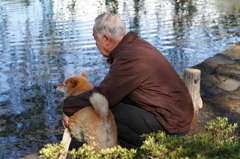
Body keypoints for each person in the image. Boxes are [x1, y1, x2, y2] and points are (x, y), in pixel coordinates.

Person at [62, 13, 194, 149]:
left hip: (171, 127)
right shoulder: (136, 45)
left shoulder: (129, 58)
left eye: (95, 39)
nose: (96, 44)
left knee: (105, 109)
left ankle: (139, 150)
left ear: (106, 39)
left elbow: (104, 95)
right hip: (176, 117)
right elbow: (112, 89)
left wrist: (69, 105)